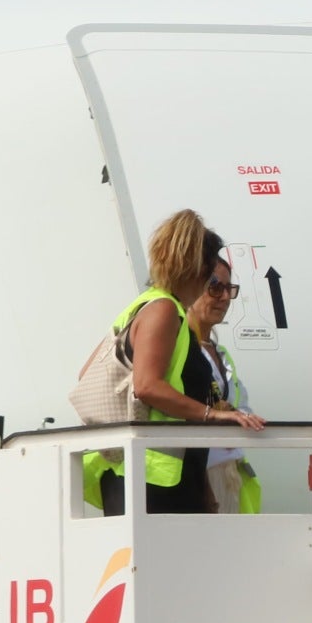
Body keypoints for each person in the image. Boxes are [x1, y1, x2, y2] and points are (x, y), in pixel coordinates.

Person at [88, 210, 264, 515]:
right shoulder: (164, 310)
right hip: (154, 478)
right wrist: (212, 414)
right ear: (200, 267)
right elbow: (147, 386)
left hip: (162, 473)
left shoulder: (143, 307)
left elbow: (89, 372)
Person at [186, 251, 262, 514]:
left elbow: (243, 407)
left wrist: (237, 416)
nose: (226, 298)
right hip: (199, 476)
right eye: (215, 287)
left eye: (229, 288)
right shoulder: (180, 348)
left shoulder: (221, 354)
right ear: (191, 288)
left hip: (229, 473)